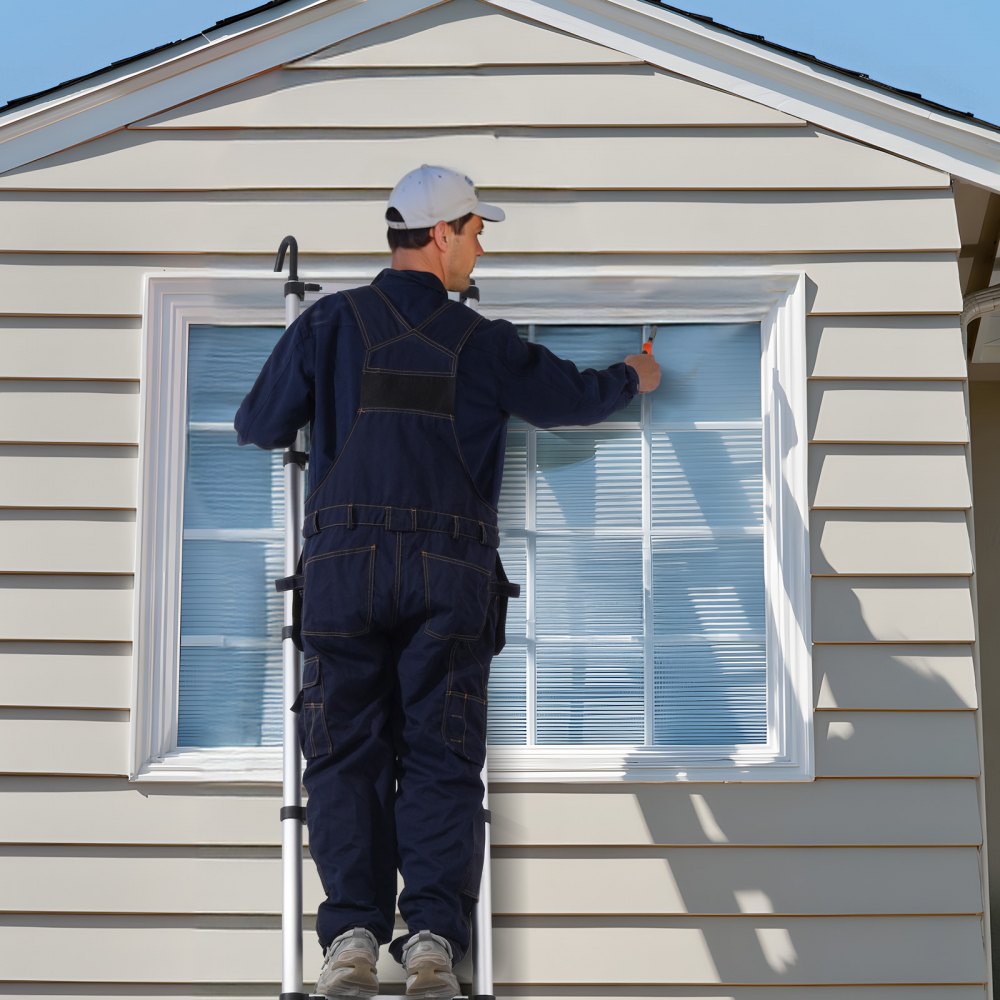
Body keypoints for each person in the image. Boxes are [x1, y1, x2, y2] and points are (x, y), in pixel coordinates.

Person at [235, 164, 661, 999]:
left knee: (344, 750)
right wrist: (633, 376)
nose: (479, 250)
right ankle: (431, 940)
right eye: (474, 232)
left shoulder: (330, 324)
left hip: (344, 571)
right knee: (441, 751)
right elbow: (570, 400)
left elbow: (258, 424)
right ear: (440, 235)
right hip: (448, 575)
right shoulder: (483, 342)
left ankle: (352, 939)